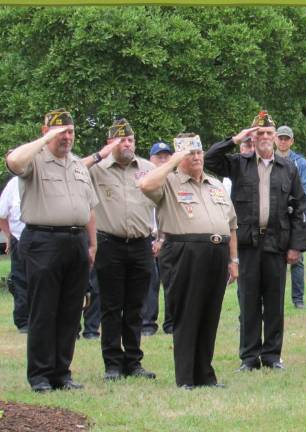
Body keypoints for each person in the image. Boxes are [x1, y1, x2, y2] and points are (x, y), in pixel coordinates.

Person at [204, 111, 306, 371]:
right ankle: (249, 357)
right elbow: (209, 159)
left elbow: (299, 207)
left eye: (268, 133)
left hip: (276, 243)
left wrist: (296, 246)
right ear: (253, 136)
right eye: (259, 133)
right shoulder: (240, 163)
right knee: (248, 301)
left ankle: (272, 356)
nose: (264, 137)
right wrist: (236, 138)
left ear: (275, 138)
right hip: (248, 244)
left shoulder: (289, 168)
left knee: (274, 302)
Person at [6, 109, 98, 392]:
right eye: (60, 132)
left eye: (70, 131)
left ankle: (62, 373)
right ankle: (41, 375)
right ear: (45, 131)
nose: (67, 137)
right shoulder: (34, 160)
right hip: (43, 241)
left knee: (71, 310)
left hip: (76, 241)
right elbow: (13, 160)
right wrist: (44, 140)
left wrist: (92, 244)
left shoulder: (78, 165)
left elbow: (89, 207)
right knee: (44, 310)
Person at [139, 133, 238, 389]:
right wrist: (171, 162)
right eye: (189, 153)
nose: (195, 157)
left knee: (209, 314)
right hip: (184, 251)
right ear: (178, 157)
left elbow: (232, 224)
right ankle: (186, 378)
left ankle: (205, 374)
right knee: (187, 313)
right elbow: (145, 185)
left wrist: (233, 259)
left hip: (217, 251)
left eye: (198, 152)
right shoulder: (169, 182)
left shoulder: (215, 184)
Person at [85, 118, 157, 381]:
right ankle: (113, 363)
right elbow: (72, 171)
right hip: (109, 243)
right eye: (121, 140)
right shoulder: (97, 169)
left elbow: (162, 202)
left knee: (137, 305)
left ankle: (134, 361)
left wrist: (160, 235)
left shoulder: (148, 168)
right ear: (109, 143)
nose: (127, 144)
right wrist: (99, 155)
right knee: (112, 306)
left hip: (141, 244)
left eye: (130, 140)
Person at [275, 125, 306, 309]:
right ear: (275, 139)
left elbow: (302, 191)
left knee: (297, 260)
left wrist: (285, 202)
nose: (283, 141)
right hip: (274, 219)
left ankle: (298, 300)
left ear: (292, 141)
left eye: (286, 138)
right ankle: (275, 300)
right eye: (280, 138)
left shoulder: (300, 163)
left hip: (293, 216)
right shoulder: (267, 159)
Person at [141, 141, 175, 336]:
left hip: (169, 237)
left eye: (166, 156)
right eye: (158, 157)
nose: (162, 160)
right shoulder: (143, 180)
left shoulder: (175, 181)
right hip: (146, 236)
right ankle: (147, 324)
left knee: (171, 281)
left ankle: (171, 323)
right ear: (150, 159)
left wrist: (162, 239)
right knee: (149, 282)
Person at [0, 175, 28, 333]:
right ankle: (23, 321)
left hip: (46, 240)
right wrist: (9, 236)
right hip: (20, 237)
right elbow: (2, 214)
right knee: (20, 280)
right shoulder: (14, 184)